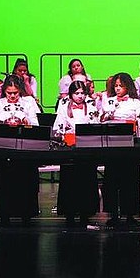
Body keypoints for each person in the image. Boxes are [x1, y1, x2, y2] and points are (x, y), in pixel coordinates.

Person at [0, 74, 40, 227]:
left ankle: (26, 215)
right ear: (4, 91)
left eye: (15, 93)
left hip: (23, 149)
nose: (12, 96)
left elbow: (36, 124)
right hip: (4, 149)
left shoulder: (28, 103)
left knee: (25, 182)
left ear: (19, 91)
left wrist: (26, 122)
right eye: (9, 93)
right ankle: (4, 216)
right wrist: (2, 123)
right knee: (4, 184)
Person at [100, 72, 140, 227]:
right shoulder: (108, 102)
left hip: (129, 146)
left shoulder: (135, 102)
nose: (117, 89)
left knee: (130, 181)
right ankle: (113, 214)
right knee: (111, 181)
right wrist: (107, 116)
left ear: (128, 86)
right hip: (112, 146)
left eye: (120, 86)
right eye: (115, 86)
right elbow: (100, 118)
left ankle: (130, 214)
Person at [52, 80, 100, 227]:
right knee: (69, 182)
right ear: (71, 94)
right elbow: (57, 127)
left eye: (82, 93)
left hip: (87, 149)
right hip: (69, 149)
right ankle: (70, 213)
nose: (80, 96)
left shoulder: (91, 107)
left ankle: (86, 213)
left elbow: (96, 125)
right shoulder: (63, 107)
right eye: (76, 93)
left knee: (87, 181)